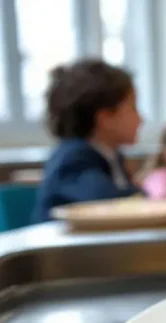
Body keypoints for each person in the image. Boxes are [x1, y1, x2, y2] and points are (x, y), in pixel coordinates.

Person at [34, 59, 143, 222]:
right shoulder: (73, 158)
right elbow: (106, 202)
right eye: (133, 108)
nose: (141, 119)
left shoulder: (112, 157)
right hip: (66, 247)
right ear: (105, 118)